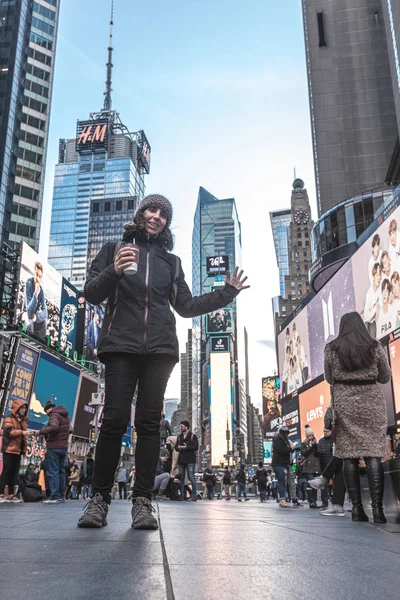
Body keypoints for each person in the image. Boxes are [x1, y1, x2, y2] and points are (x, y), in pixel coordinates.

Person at [77, 194, 249, 529]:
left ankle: (143, 502)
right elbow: (92, 293)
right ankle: (99, 501)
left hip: (159, 350)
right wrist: (114, 271)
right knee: (113, 421)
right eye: (152, 210)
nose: (157, 217)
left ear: (166, 223)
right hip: (120, 346)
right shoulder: (114, 249)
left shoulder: (172, 263)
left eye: (164, 214)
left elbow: (185, 306)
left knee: (149, 425)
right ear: (141, 214)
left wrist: (226, 293)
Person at [324, 312, 392, 523]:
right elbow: (385, 376)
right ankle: (378, 511)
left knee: (349, 455)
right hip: (371, 402)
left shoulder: (332, 348)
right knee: (373, 454)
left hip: (345, 402)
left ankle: (356, 510)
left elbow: (329, 378)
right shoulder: (374, 346)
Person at [32, 400, 71, 504]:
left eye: (46, 411)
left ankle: (54, 495)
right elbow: (70, 430)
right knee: (61, 471)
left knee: (53, 471)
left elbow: (54, 427)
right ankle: (61, 495)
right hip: (63, 447)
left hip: (54, 447)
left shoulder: (54, 414)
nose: (47, 413)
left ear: (49, 409)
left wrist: (40, 432)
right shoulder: (66, 416)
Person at [0, 400, 33, 503]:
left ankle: (11, 494)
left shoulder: (21, 421)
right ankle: (1, 494)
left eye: (25, 408)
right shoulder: (9, 419)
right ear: (17, 408)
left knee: (13, 473)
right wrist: (23, 432)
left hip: (17, 451)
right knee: (6, 472)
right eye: (22, 408)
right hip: (9, 449)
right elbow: (8, 432)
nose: (24, 410)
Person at [23, 260, 48, 340]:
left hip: (34, 316)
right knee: (30, 322)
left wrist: (37, 317)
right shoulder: (28, 283)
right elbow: (29, 312)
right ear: (34, 273)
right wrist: (35, 294)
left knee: (44, 323)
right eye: (36, 275)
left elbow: (45, 313)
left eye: (40, 276)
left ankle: (41, 344)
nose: (37, 279)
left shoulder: (42, 291)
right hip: (25, 313)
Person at [176, 420, 199, 502]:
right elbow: (176, 448)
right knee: (181, 478)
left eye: (182, 426)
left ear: (186, 427)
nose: (180, 428)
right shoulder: (179, 437)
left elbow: (196, 447)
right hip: (181, 460)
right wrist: (178, 447)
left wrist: (186, 447)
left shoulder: (193, 436)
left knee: (191, 477)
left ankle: (193, 496)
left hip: (190, 460)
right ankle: (182, 496)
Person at [272, 425, 293, 507]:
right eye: (285, 433)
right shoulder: (277, 440)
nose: (287, 435)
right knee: (282, 481)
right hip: (279, 464)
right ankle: (282, 499)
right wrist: (291, 448)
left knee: (283, 482)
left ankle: (283, 498)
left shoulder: (284, 441)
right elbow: (282, 451)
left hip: (284, 464)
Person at [300, 425, 321, 508]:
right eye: (309, 436)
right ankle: (311, 501)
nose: (310, 437)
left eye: (311, 435)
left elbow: (319, 453)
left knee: (315, 485)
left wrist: (315, 447)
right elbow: (303, 453)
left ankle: (314, 501)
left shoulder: (316, 443)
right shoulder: (304, 444)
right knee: (310, 484)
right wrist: (309, 447)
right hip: (308, 467)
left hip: (316, 467)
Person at [317, 428, 333, 508]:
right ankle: (325, 502)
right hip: (323, 466)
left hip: (333, 464)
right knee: (323, 485)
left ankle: (335, 502)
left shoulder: (333, 440)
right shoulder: (321, 441)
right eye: (324, 431)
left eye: (327, 431)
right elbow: (319, 452)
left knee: (334, 485)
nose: (325, 433)